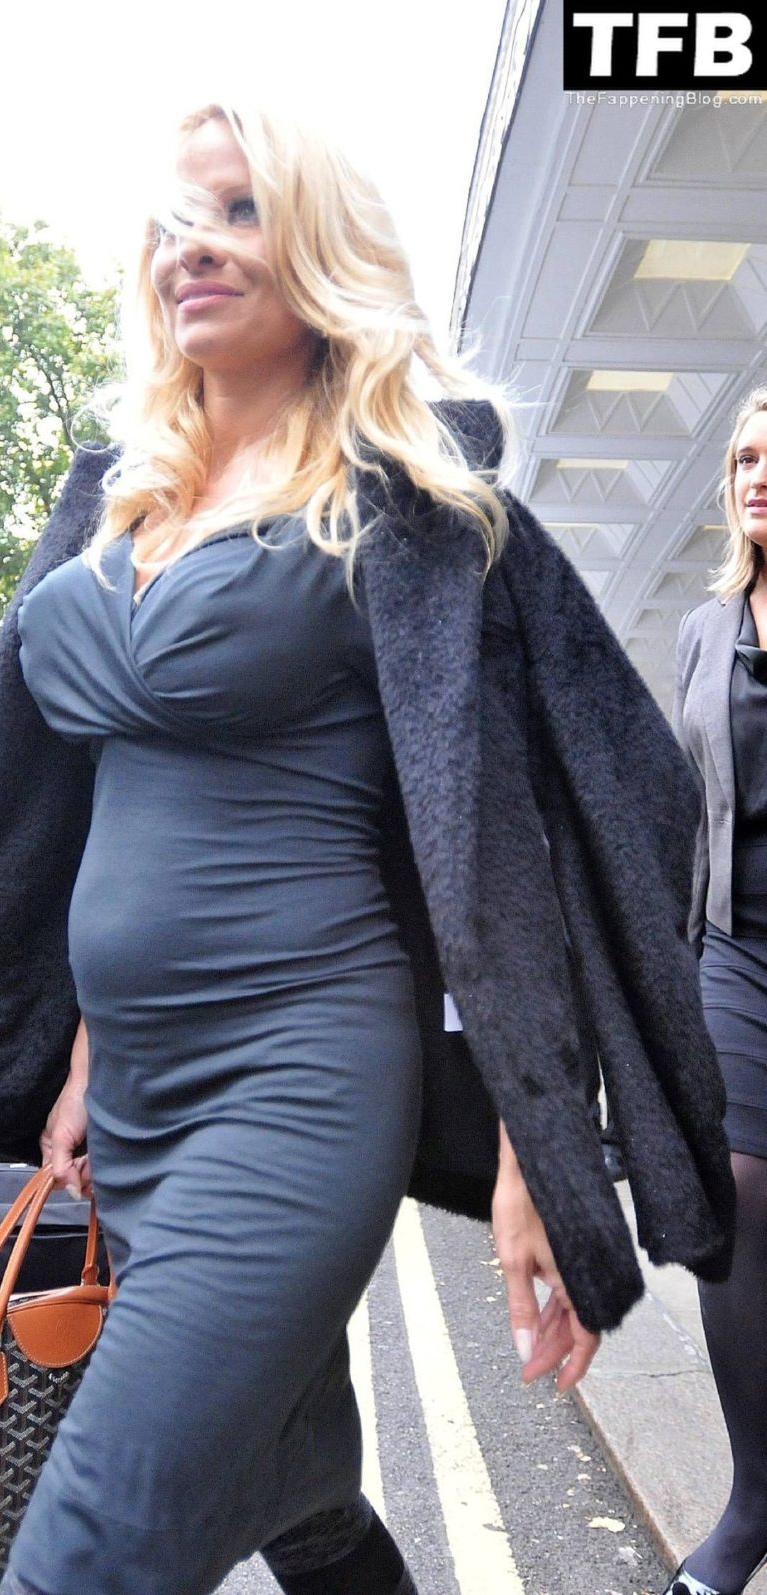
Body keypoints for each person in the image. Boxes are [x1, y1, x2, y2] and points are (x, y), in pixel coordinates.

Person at [0, 104, 734, 1595]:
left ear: (318, 248)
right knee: (292, 1487)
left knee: (84, 1545)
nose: (192, 247)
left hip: (296, 1080)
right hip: (135, 1097)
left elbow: (546, 824)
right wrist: (82, 1051)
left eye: (237, 211)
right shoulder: (116, 494)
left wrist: (536, 1146)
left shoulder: (406, 505)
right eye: (175, 221)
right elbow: (80, 804)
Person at [668, 389, 767, 1595]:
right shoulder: (703, 628)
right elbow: (687, 809)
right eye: (745, 456)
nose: (754, 474)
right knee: (733, 1196)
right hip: (736, 949)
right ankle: (751, 1503)